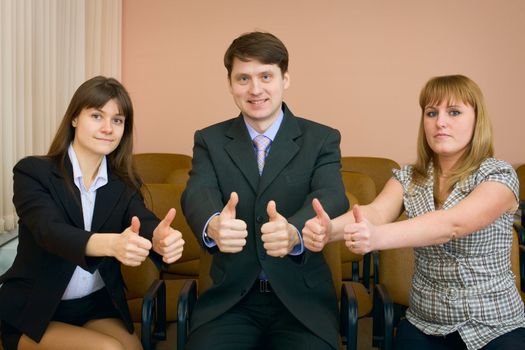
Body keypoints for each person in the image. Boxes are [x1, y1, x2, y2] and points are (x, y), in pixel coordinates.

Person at [303, 74, 525, 350]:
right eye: (431, 113)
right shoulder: (409, 177)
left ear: (477, 120)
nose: (440, 122)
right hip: (425, 324)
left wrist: (376, 237)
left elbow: (452, 224)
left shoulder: (498, 175)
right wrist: (330, 230)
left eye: (454, 112)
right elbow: (374, 213)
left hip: (494, 326)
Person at [181, 31, 349, 350]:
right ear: (230, 84)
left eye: (266, 76)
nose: (255, 89)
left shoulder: (322, 139)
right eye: (243, 78)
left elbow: (332, 195)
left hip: (302, 302)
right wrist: (213, 223)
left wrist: (294, 232)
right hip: (231, 302)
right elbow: (196, 192)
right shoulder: (209, 140)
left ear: (285, 79)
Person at [0, 76, 185, 350]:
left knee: (134, 348)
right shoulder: (33, 172)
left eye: (118, 120)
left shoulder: (123, 182)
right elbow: (49, 231)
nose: (108, 128)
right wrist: (112, 243)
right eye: (97, 116)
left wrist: (160, 237)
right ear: (75, 119)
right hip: (34, 309)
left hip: (94, 306)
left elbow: (141, 219)